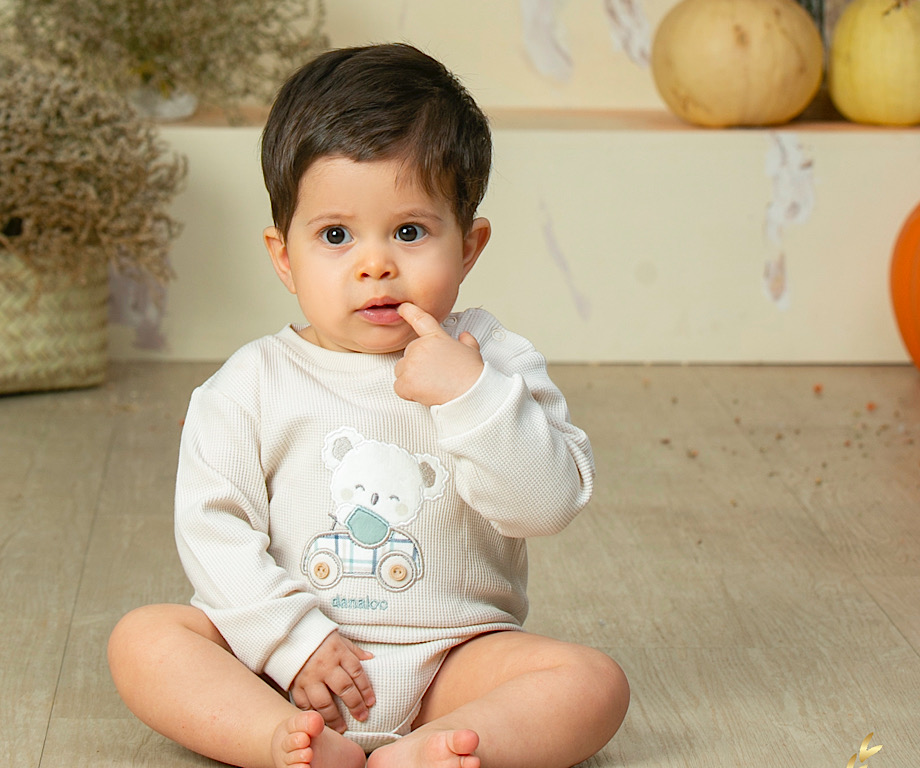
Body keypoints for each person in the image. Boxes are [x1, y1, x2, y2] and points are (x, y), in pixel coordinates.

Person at [108, 42, 629, 768]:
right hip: (286, 670)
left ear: (468, 245)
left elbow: (547, 505)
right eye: (335, 235)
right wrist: (291, 643)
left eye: (410, 232)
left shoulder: (492, 362)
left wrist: (471, 396)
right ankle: (277, 739)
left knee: (592, 683)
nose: (375, 263)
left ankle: (429, 749)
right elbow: (212, 529)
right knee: (146, 639)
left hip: (452, 662)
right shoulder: (250, 383)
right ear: (284, 256)